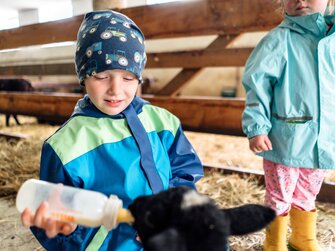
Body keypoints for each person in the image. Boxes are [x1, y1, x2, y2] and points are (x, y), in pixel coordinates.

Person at [20, 10, 203, 250]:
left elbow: (185, 170)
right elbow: (56, 217)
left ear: (139, 78)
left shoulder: (162, 122)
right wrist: (67, 231)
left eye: (128, 78)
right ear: (84, 76)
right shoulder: (65, 146)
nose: (116, 90)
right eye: (102, 76)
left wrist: (174, 208)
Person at [241, 0, 335, 250]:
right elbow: (257, 86)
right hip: (285, 139)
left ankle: (302, 238)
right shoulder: (279, 40)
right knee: (279, 195)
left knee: (308, 193)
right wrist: (257, 127)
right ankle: (275, 243)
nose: (300, 1)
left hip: (322, 141)